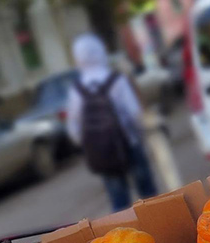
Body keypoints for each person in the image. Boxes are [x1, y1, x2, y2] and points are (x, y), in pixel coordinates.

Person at [66, 33, 158, 211]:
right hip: (129, 144)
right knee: (149, 197)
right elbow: (135, 113)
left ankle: (122, 235)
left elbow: (74, 127)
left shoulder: (77, 89)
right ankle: (157, 229)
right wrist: (140, 136)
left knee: (119, 203)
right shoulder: (116, 80)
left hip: (102, 153)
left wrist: (90, 143)